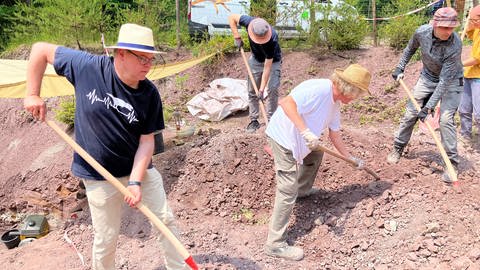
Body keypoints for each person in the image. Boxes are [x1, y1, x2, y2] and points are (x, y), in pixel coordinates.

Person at [23, 23, 187, 270]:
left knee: (165, 220)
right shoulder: (87, 67)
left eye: (151, 59)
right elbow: (40, 50)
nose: (148, 64)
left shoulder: (149, 94)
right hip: (99, 175)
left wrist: (135, 181)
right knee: (106, 238)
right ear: (121, 53)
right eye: (142, 58)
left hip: (137, 169)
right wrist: (32, 93)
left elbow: (146, 142)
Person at [264, 64, 370, 261]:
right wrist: (305, 131)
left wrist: (350, 158)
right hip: (283, 138)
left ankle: (302, 190)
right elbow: (287, 103)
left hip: (302, 140)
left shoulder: (335, 105)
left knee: (314, 155)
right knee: (287, 189)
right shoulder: (319, 89)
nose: (356, 99)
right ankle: (275, 244)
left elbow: (335, 135)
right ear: (349, 89)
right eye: (357, 94)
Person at [388, 7, 463, 183]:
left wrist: (428, 107)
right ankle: (398, 147)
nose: (448, 31)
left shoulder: (455, 44)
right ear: (435, 24)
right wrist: (400, 66)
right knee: (410, 113)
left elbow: (444, 82)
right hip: (428, 77)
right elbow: (409, 49)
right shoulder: (421, 32)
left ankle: (451, 163)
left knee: (445, 119)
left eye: (451, 27)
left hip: (452, 81)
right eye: (444, 27)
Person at [228, 14, 282, 132]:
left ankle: (271, 121)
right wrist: (237, 36)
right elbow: (231, 17)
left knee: (272, 89)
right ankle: (254, 120)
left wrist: (262, 89)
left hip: (273, 62)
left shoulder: (272, 38)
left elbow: (267, 67)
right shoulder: (249, 22)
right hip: (256, 59)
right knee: (252, 90)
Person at [460, 5, 480, 143]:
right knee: (464, 109)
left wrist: (459, 64)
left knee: (479, 114)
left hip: (478, 77)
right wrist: (468, 23)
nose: (472, 22)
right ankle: (465, 135)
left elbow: (477, 58)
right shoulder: (478, 29)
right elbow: (469, 33)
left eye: (474, 20)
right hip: (469, 74)